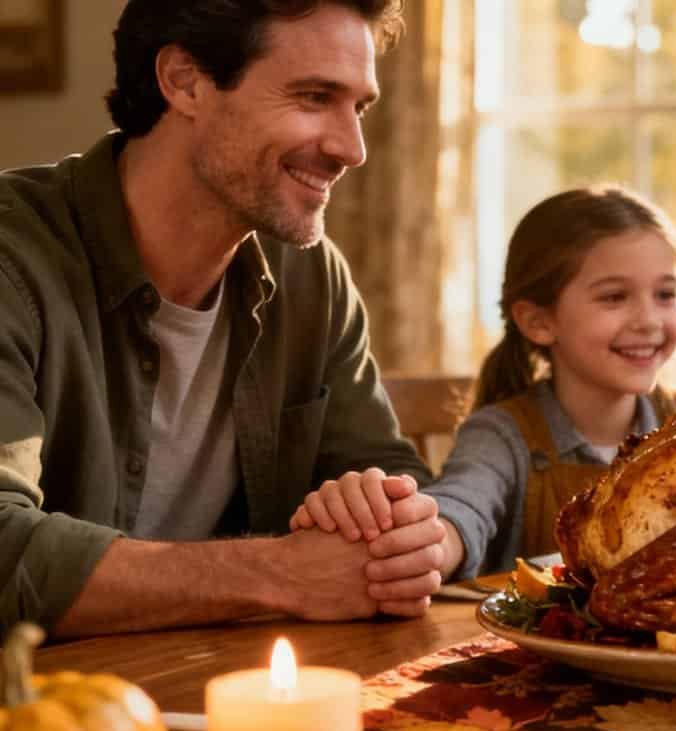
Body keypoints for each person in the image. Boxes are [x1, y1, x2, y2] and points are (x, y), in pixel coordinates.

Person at [0, 0, 449, 638]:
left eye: (360, 108)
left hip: (233, 684)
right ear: (185, 81)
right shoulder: (13, 261)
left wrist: (391, 520)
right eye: (314, 97)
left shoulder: (312, 277)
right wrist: (283, 574)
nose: (352, 149)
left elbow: (393, 480)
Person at [293, 186, 676, 578]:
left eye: (665, 294)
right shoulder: (502, 435)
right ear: (538, 322)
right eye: (614, 297)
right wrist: (426, 546)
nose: (649, 320)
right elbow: (460, 507)